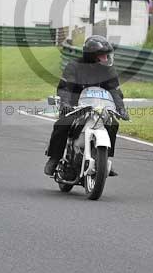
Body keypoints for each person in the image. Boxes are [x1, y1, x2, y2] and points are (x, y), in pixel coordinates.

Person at [44, 35, 128, 176]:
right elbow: (65, 88)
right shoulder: (74, 66)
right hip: (75, 108)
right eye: (102, 56)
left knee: (113, 124)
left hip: (99, 109)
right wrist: (65, 103)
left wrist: (121, 108)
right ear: (91, 55)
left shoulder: (108, 70)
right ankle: (54, 158)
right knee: (62, 125)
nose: (106, 58)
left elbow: (115, 91)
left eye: (107, 55)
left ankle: (104, 159)